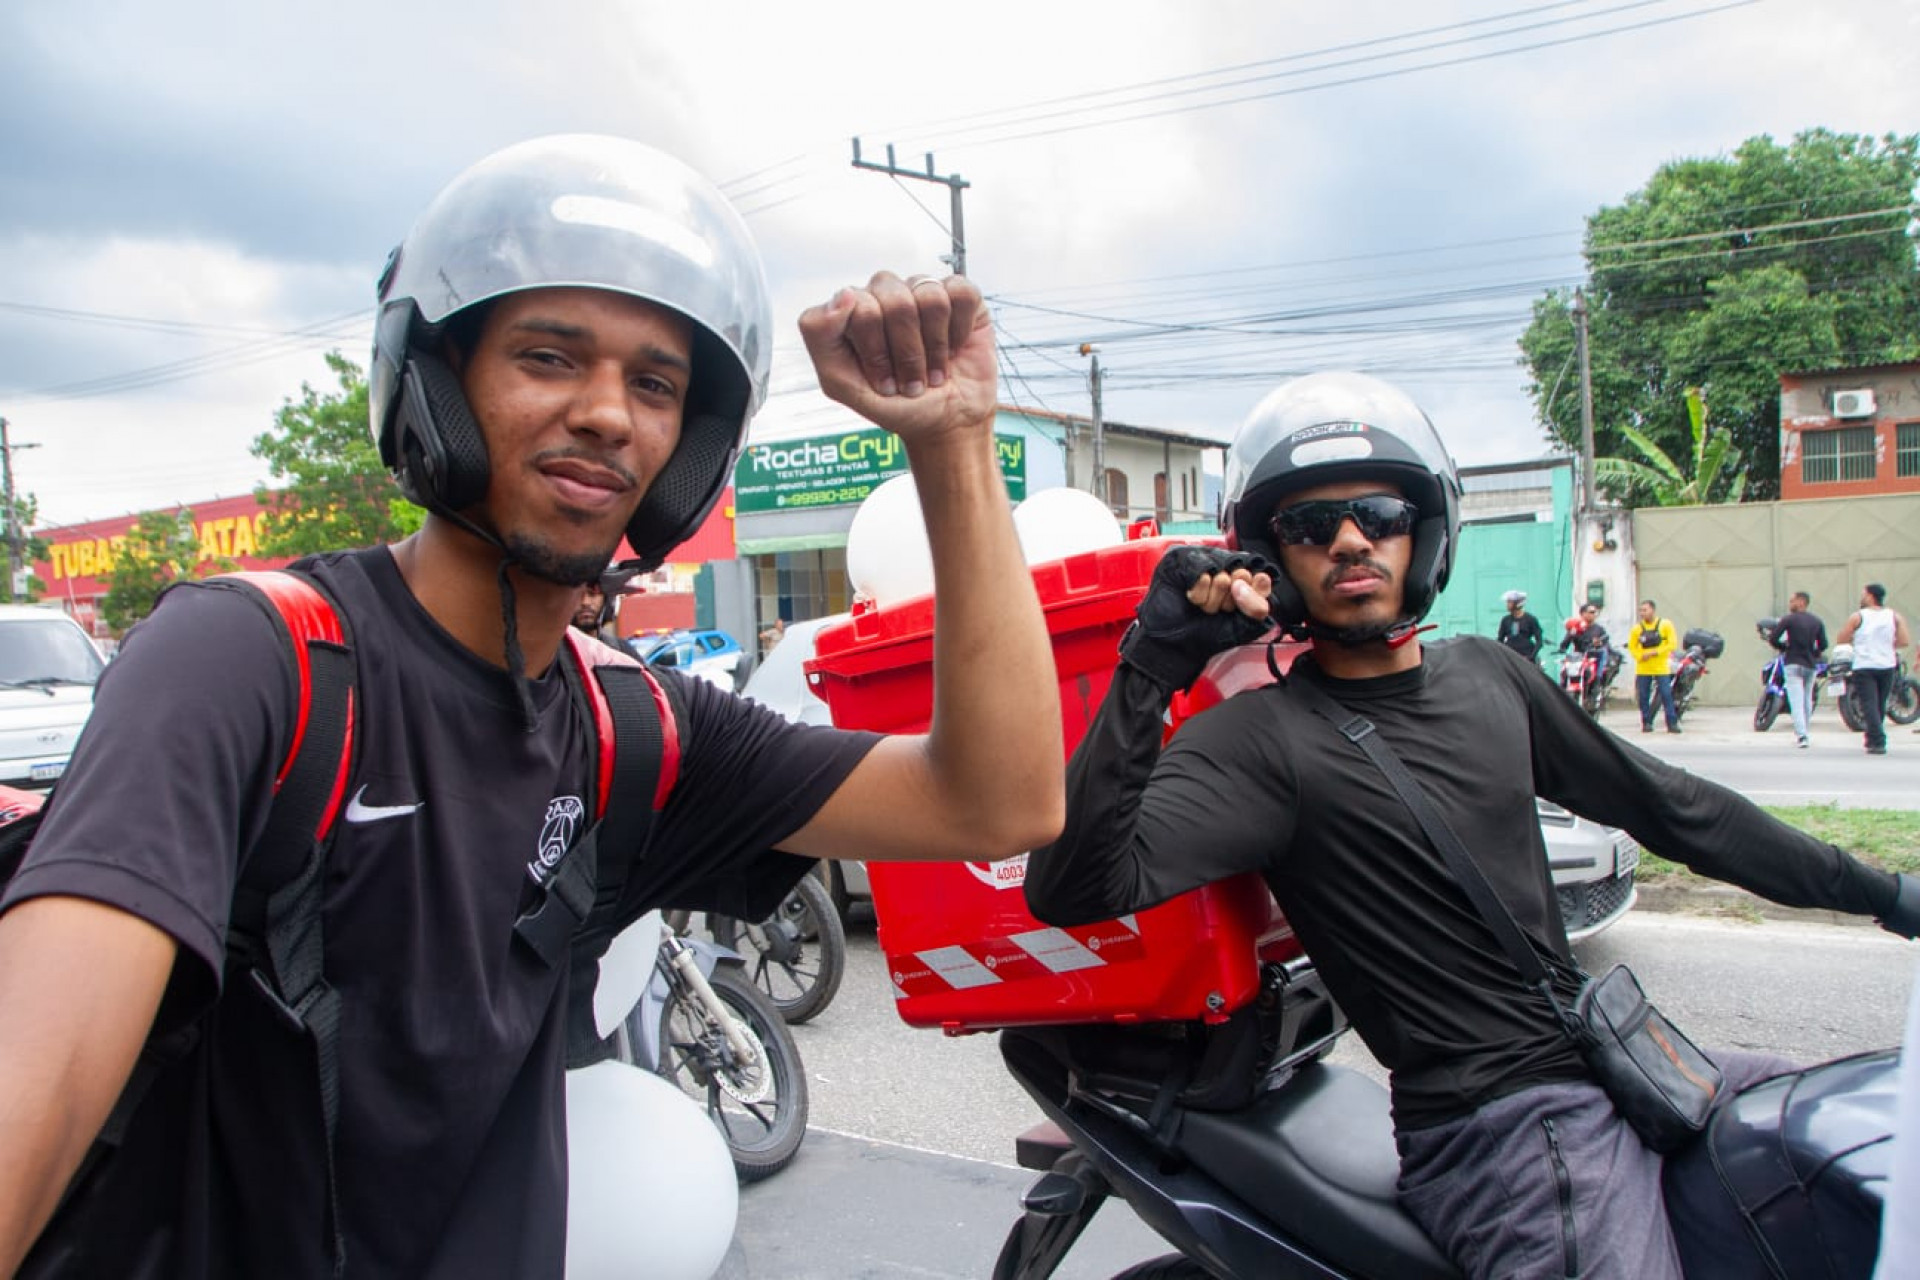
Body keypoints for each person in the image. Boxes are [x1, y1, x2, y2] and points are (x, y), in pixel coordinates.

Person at [0, 135, 1065, 1278]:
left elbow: (993, 800)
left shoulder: (635, 729)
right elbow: (38, 1086)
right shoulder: (249, 658)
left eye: (656, 384)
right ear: (432, 384)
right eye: (550, 356)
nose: (610, 414)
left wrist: (952, 441)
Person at [1021, 370, 1918, 1280]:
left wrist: (1891, 896)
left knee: (1867, 1141)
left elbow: (1677, 810)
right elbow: (1073, 888)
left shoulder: (1492, 674)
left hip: (1622, 1056)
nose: (1347, 540)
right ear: (1269, 556)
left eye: (1377, 511)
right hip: (1500, 1135)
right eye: (1306, 525)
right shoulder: (1261, 743)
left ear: (1425, 529)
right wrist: (1153, 661)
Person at [1836, 583, 1912, 756]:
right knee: (1879, 704)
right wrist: (1886, 645)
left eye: (1864, 594)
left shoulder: (1858, 617)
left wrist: (1857, 640)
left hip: (1865, 665)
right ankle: (1871, 738)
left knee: (1869, 704)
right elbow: (1904, 641)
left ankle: (1878, 741)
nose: (1862, 597)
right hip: (1887, 665)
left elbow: (1842, 638)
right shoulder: (1894, 616)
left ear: (1870, 596)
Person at [1766, 591, 1827, 748]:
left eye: (1792, 600)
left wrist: (1784, 647)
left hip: (1792, 662)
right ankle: (1804, 730)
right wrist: (1814, 653)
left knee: (1796, 700)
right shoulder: (1816, 621)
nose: (1790, 603)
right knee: (1807, 698)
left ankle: (1802, 735)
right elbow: (1824, 644)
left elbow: (1773, 638)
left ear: (1801, 602)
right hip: (1810, 664)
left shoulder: (1788, 620)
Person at [1630, 598, 1681, 734]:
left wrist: (1656, 652)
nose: (1642, 613)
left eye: (1645, 610)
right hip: (1643, 668)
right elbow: (1632, 647)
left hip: (1661, 667)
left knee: (1666, 694)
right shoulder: (1637, 629)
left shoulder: (1665, 625)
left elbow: (1672, 644)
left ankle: (1672, 723)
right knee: (1643, 696)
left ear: (1652, 610)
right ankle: (1646, 722)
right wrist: (1641, 656)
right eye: (1640, 610)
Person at [1494, 589, 1543, 663]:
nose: (1507, 605)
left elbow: (1539, 641)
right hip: (1510, 657)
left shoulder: (1530, 619)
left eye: (1509, 602)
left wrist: (1531, 656)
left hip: (1526, 657)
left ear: (1517, 604)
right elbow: (1500, 640)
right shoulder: (1505, 620)